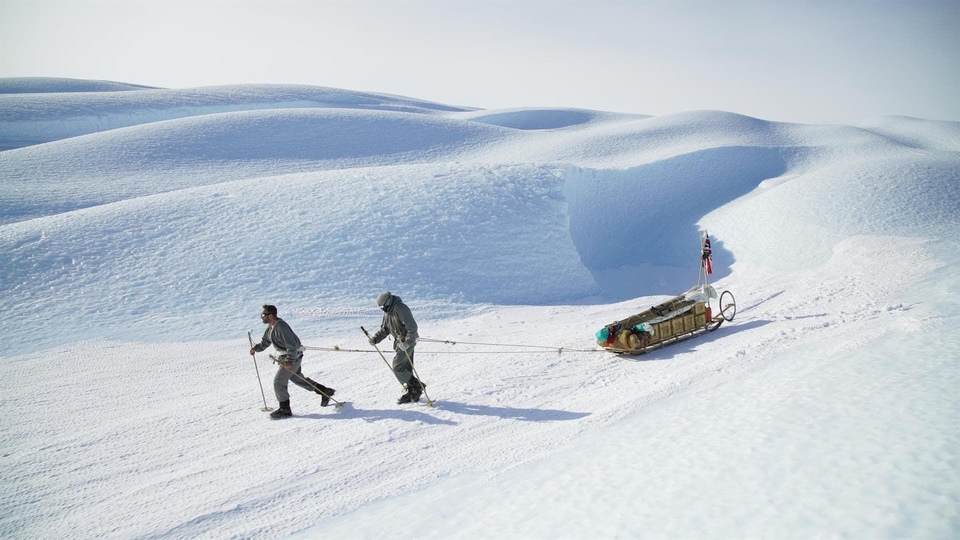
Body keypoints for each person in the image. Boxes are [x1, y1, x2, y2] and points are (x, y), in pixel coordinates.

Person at [250, 304, 335, 419]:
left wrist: (289, 361)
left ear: (270, 315)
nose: (261, 317)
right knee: (297, 378)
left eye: (263, 315)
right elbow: (265, 342)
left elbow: (291, 346)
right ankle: (325, 391)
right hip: (291, 357)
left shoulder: (281, 327)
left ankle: (285, 410)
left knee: (278, 382)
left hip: (291, 357)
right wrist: (256, 348)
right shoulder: (271, 327)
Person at [368, 292, 425, 404]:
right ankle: (412, 392)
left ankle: (417, 386)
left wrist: (408, 342)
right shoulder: (388, 312)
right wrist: (375, 339)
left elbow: (412, 327)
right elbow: (385, 329)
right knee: (406, 368)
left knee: (397, 366)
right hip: (399, 343)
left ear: (388, 302)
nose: (381, 308)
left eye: (382, 306)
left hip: (406, 342)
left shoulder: (401, 308)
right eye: (380, 307)